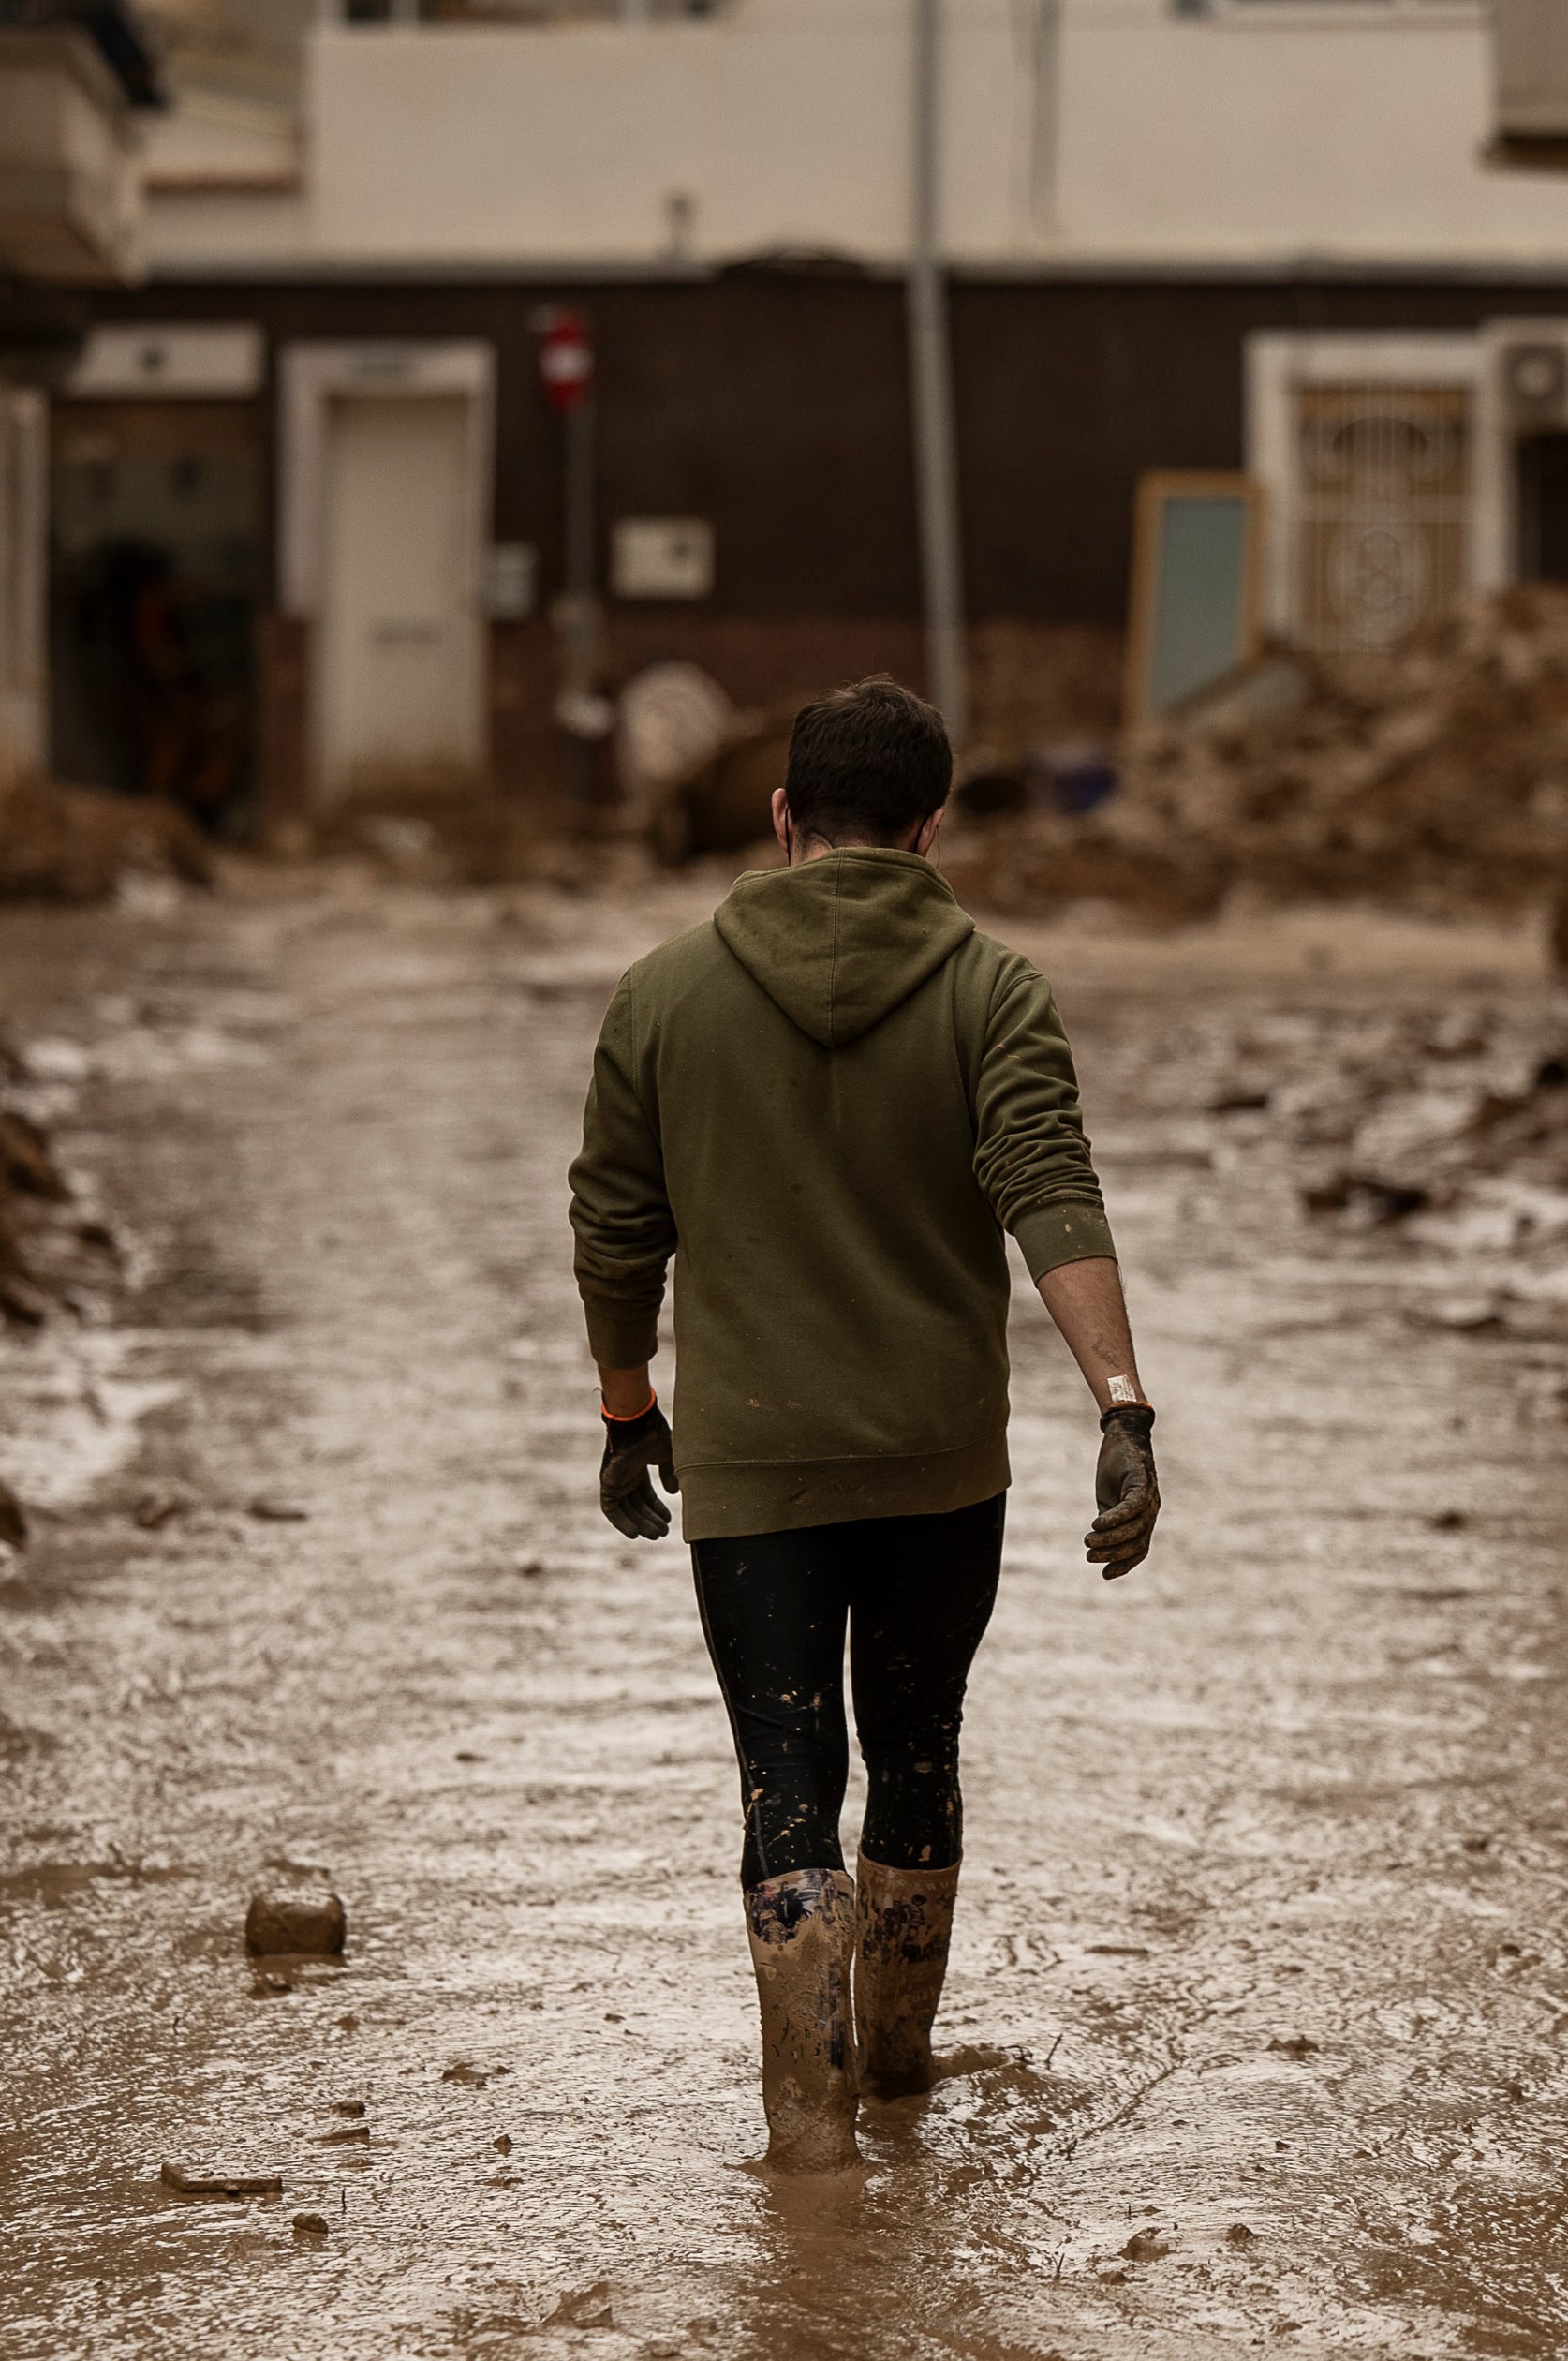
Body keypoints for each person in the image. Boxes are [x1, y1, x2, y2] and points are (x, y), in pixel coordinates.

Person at [565, 676, 1161, 2175]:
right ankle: (899, 2081)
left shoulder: (660, 993)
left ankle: (810, 2147)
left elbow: (615, 1232)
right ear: (932, 827)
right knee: (916, 1753)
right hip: (939, 1465)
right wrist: (1124, 1407)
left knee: (786, 1776)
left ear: (782, 818)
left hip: (754, 1469)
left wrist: (628, 1409)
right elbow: (1051, 1191)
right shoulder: (994, 992)